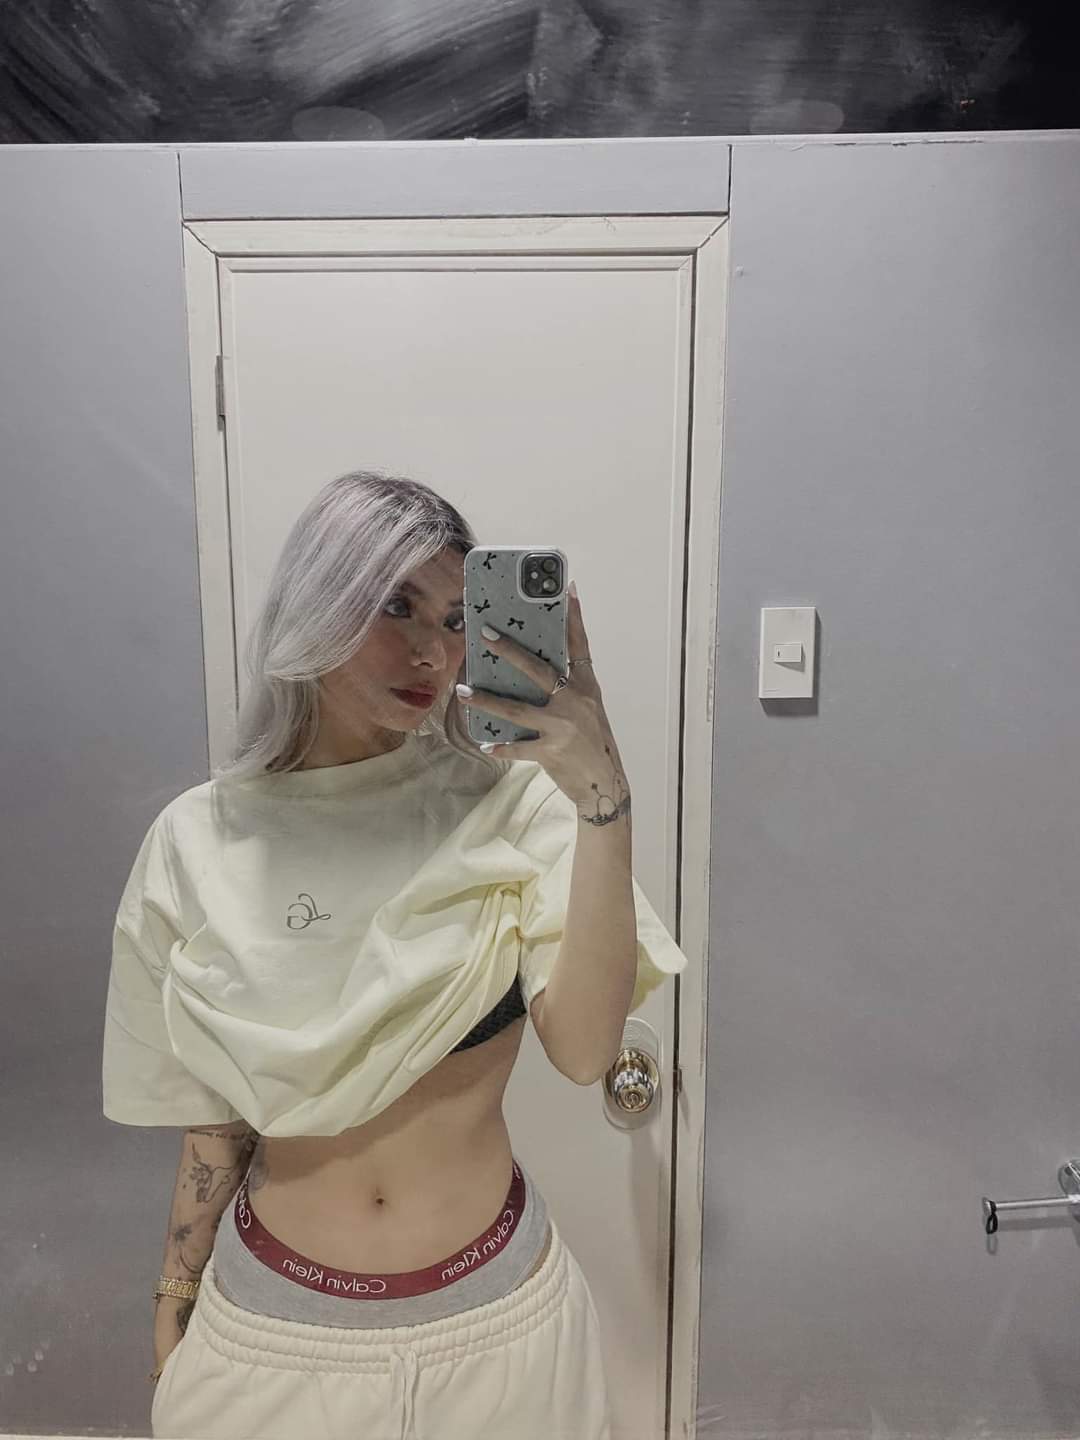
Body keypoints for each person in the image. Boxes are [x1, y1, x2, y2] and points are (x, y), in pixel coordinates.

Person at [102, 469, 687, 1439]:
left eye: (457, 618)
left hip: (501, 1334)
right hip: (268, 1340)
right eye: (395, 605)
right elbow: (214, 1117)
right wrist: (175, 1289)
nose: (433, 651)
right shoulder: (196, 840)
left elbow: (587, 1052)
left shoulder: (516, 807)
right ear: (315, 603)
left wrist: (601, 799)